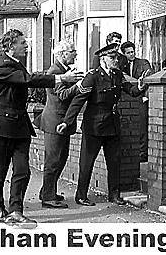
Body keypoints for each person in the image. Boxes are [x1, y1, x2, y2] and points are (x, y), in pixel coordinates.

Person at [0, 29, 82, 228]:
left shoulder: (17, 64)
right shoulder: (2, 66)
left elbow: (28, 78)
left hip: (19, 126)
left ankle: (16, 211)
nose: (26, 45)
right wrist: (61, 78)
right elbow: (29, 80)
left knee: (22, 171)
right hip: (0, 127)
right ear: (11, 46)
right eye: (22, 43)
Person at [57, 43, 146, 206]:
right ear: (103, 59)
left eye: (117, 58)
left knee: (114, 161)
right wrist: (67, 121)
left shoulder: (118, 75)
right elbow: (78, 101)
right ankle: (81, 195)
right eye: (112, 58)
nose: (116, 61)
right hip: (94, 126)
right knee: (87, 162)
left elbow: (130, 91)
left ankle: (114, 195)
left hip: (112, 125)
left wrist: (139, 87)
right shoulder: (92, 76)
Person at [38, 40, 80, 208]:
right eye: (73, 51)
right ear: (63, 54)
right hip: (55, 122)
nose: (75, 54)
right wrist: (78, 85)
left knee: (61, 159)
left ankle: (47, 191)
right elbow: (62, 95)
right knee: (53, 161)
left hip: (61, 121)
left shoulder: (63, 70)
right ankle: (48, 197)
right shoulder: (55, 71)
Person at [120, 41, 153, 162]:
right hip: (126, 101)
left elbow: (148, 76)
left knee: (142, 127)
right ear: (124, 54)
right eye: (128, 53)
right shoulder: (120, 64)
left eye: (133, 51)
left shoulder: (143, 63)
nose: (131, 54)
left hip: (141, 98)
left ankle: (143, 154)